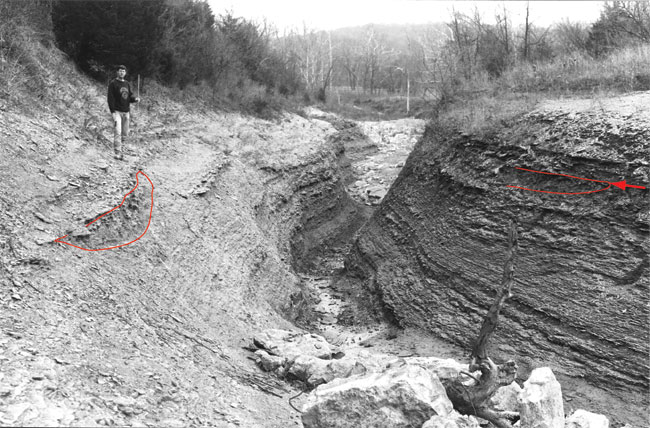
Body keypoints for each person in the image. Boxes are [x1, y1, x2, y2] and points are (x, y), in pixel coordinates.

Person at [107, 65, 140, 160]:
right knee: (117, 131)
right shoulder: (113, 83)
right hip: (117, 111)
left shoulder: (127, 84)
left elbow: (129, 97)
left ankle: (123, 152)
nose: (122, 73)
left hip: (126, 112)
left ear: (125, 73)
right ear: (117, 72)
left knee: (125, 133)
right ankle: (117, 152)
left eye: (123, 71)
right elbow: (110, 99)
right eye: (120, 71)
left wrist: (135, 99)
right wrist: (112, 112)